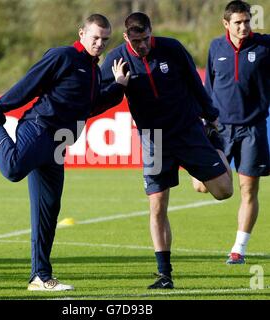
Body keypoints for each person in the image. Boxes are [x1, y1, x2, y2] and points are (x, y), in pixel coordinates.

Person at [0, 14, 129, 291]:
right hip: (38, 129)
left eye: (105, 40)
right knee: (13, 169)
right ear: (82, 32)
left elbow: (91, 106)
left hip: (58, 146)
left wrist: (118, 86)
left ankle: (40, 277)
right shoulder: (63, 56)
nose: (99, 43)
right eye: (95, 37)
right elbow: (30, 83)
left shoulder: (94, 71)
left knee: (48, 212)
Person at [98, 12, 233, 289]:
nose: (143, 45)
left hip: (188, 131)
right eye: (137, 41)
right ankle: (164, 274)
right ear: (126, 38)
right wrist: (117, 84)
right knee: (157, 205)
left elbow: (195, 84)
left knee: (224, 192)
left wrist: (210, 115)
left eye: (146, 38)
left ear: (151, 32)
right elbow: (98, 99)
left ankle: (215, 145)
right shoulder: (116, 60)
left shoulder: (171, 48)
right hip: (154, 139)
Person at [205, 0, 270, 264]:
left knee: (248, 189)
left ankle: (238, 249)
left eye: (247, 21)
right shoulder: (215, 47)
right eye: (238, 23)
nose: (244, 27)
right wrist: (205, 120)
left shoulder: (265, 46)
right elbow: (208, 85)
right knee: (201, 185)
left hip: (253, 128)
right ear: (226, 24)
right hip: (219, 129)